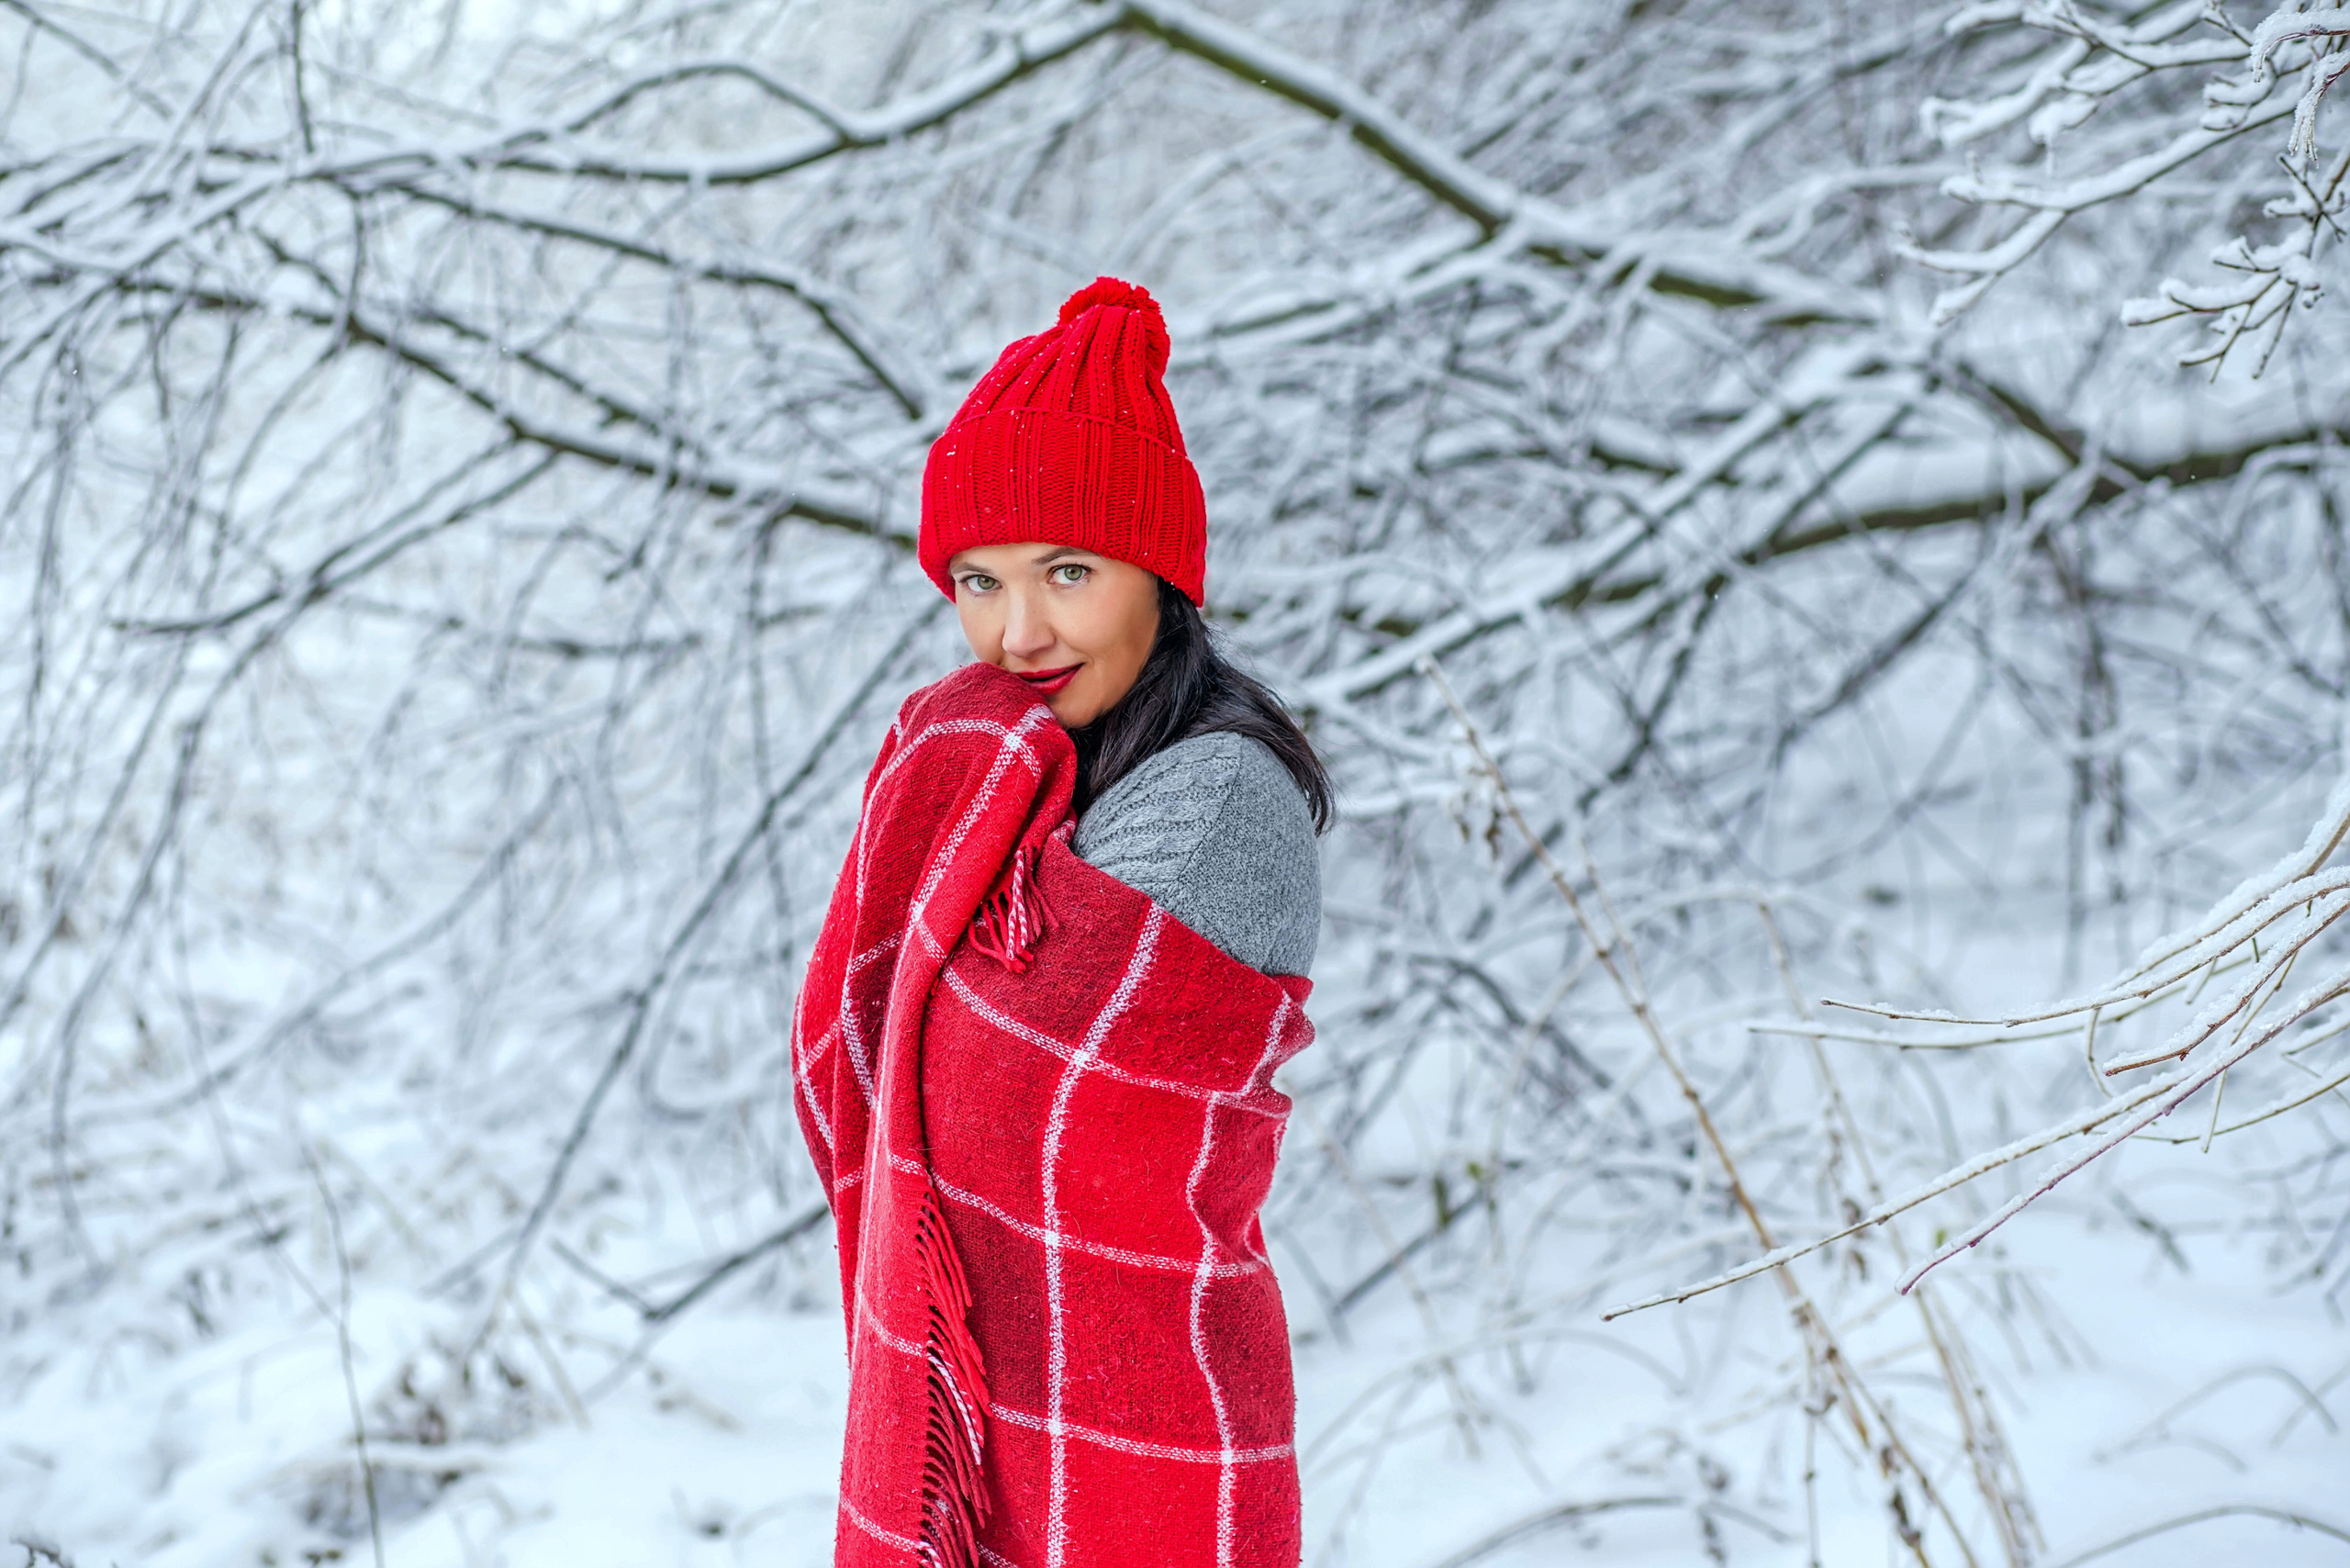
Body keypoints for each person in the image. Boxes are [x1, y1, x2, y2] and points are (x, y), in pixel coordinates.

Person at [792, 277, 1329, 1568]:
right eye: (978, 581)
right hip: (995, 1433)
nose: (1016, 632)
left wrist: (947, 753)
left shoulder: (1215, 795)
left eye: (1068, 573)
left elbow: (988, 1086)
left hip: (1140, 1444)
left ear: (1162, 574)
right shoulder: (1022, 777)